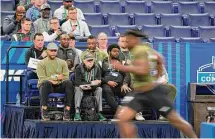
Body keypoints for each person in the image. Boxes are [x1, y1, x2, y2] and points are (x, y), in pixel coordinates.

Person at [112, 29, 197, 138]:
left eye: (128, 41)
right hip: (139, 94)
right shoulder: (144, 49)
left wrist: (122, 67)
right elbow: (160, 58)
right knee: (122, 118)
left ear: (135, 40)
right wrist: (157, 74)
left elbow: (143, 70)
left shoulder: (139, 51)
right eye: (124, 41)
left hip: (153, 93)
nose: (126, 44)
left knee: (176, 121)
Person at [36, 42, 74, 121]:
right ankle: (44, 110)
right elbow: (42, 78)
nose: (53, 52)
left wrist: (54, 79)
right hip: (47, 86)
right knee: (45, 83)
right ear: (47, 51)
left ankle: (67, 109)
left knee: (69, 83)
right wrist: (56, 77)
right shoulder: (41, 63)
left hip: (59, 85)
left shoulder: (62, 62)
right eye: (51, 51)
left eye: (55, 51)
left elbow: (66, 76)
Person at [73, 52, 106, 121]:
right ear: (84, 61)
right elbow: (77, 82)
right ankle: (77, 112)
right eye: (88, 61)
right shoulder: (79, 68)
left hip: (92, 88)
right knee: (77, 89)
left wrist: (91, 86)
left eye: (92, 60)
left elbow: (99, 82)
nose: (90, 62)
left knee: (99, 89)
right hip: (81, 87)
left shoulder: (97, 68)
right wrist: (91, 83)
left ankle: (99, 112)